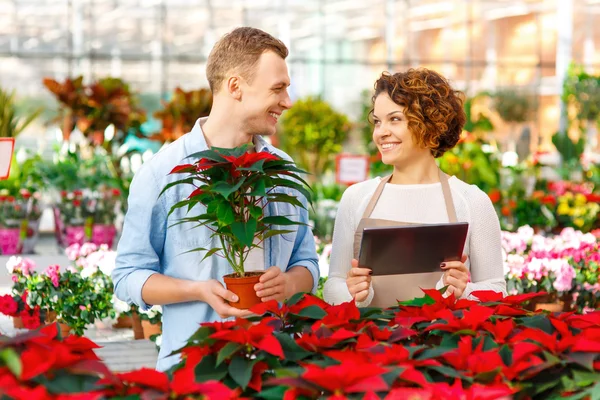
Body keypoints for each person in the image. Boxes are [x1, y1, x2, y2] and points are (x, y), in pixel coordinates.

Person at [112, 27, 319, 371]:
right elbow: (129, 276)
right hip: (196, 370)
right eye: (278, 88)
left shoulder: (282, 169)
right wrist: (197, 290)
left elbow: (307, 263)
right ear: (235, 86)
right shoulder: (164, 172)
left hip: (277, 366)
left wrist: (290, 282)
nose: (287, 101)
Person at [323, 68, 506, 308]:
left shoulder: (471, 201)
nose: (381, 132)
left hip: (442, 343)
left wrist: (464, 291)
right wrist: (355, 294)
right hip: (371, 343)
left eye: (395, 119)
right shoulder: (356, 198)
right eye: (377, 121)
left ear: (430, 125)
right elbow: (332, 284)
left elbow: (497, 290)